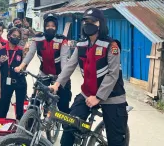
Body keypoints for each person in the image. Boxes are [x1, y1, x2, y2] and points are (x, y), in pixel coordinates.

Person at [49, 8, 128, 146]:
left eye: (93, 21)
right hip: (87, 94)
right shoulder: (81, 45)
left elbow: (113, 74)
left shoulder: (111, 45)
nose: (88, 24)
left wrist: (98, 97)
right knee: (69, 127)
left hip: (112, 97)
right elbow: (69, 66)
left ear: (100, 24)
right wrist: (57, 84)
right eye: (85, 21)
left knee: (116, 140)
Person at [15, 12, 72, 114]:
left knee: (63, 106)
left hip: (59, 75)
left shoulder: (62, 40)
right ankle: (30, 125)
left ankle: (66, 129)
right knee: (35, 102)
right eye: (48, 25)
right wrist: (21, 66)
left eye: (53, 26)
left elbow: (64, 60)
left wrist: (62, 79)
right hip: (44, 74)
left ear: (56, 27)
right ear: (44, 26)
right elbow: (30, 53)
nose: (50, 28)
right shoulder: (38, 38)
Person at [0, 27, 26, 120]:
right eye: (14, 35)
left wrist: (25, 55)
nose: (16, 38)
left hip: (19, 82)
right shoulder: (1, 49)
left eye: (18, 37)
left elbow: (24, 67)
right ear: (9, 36)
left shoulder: (21, 51)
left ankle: (19, 131)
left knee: (20, 110)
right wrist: (0, 61)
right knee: (2, 108)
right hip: (6, 82)